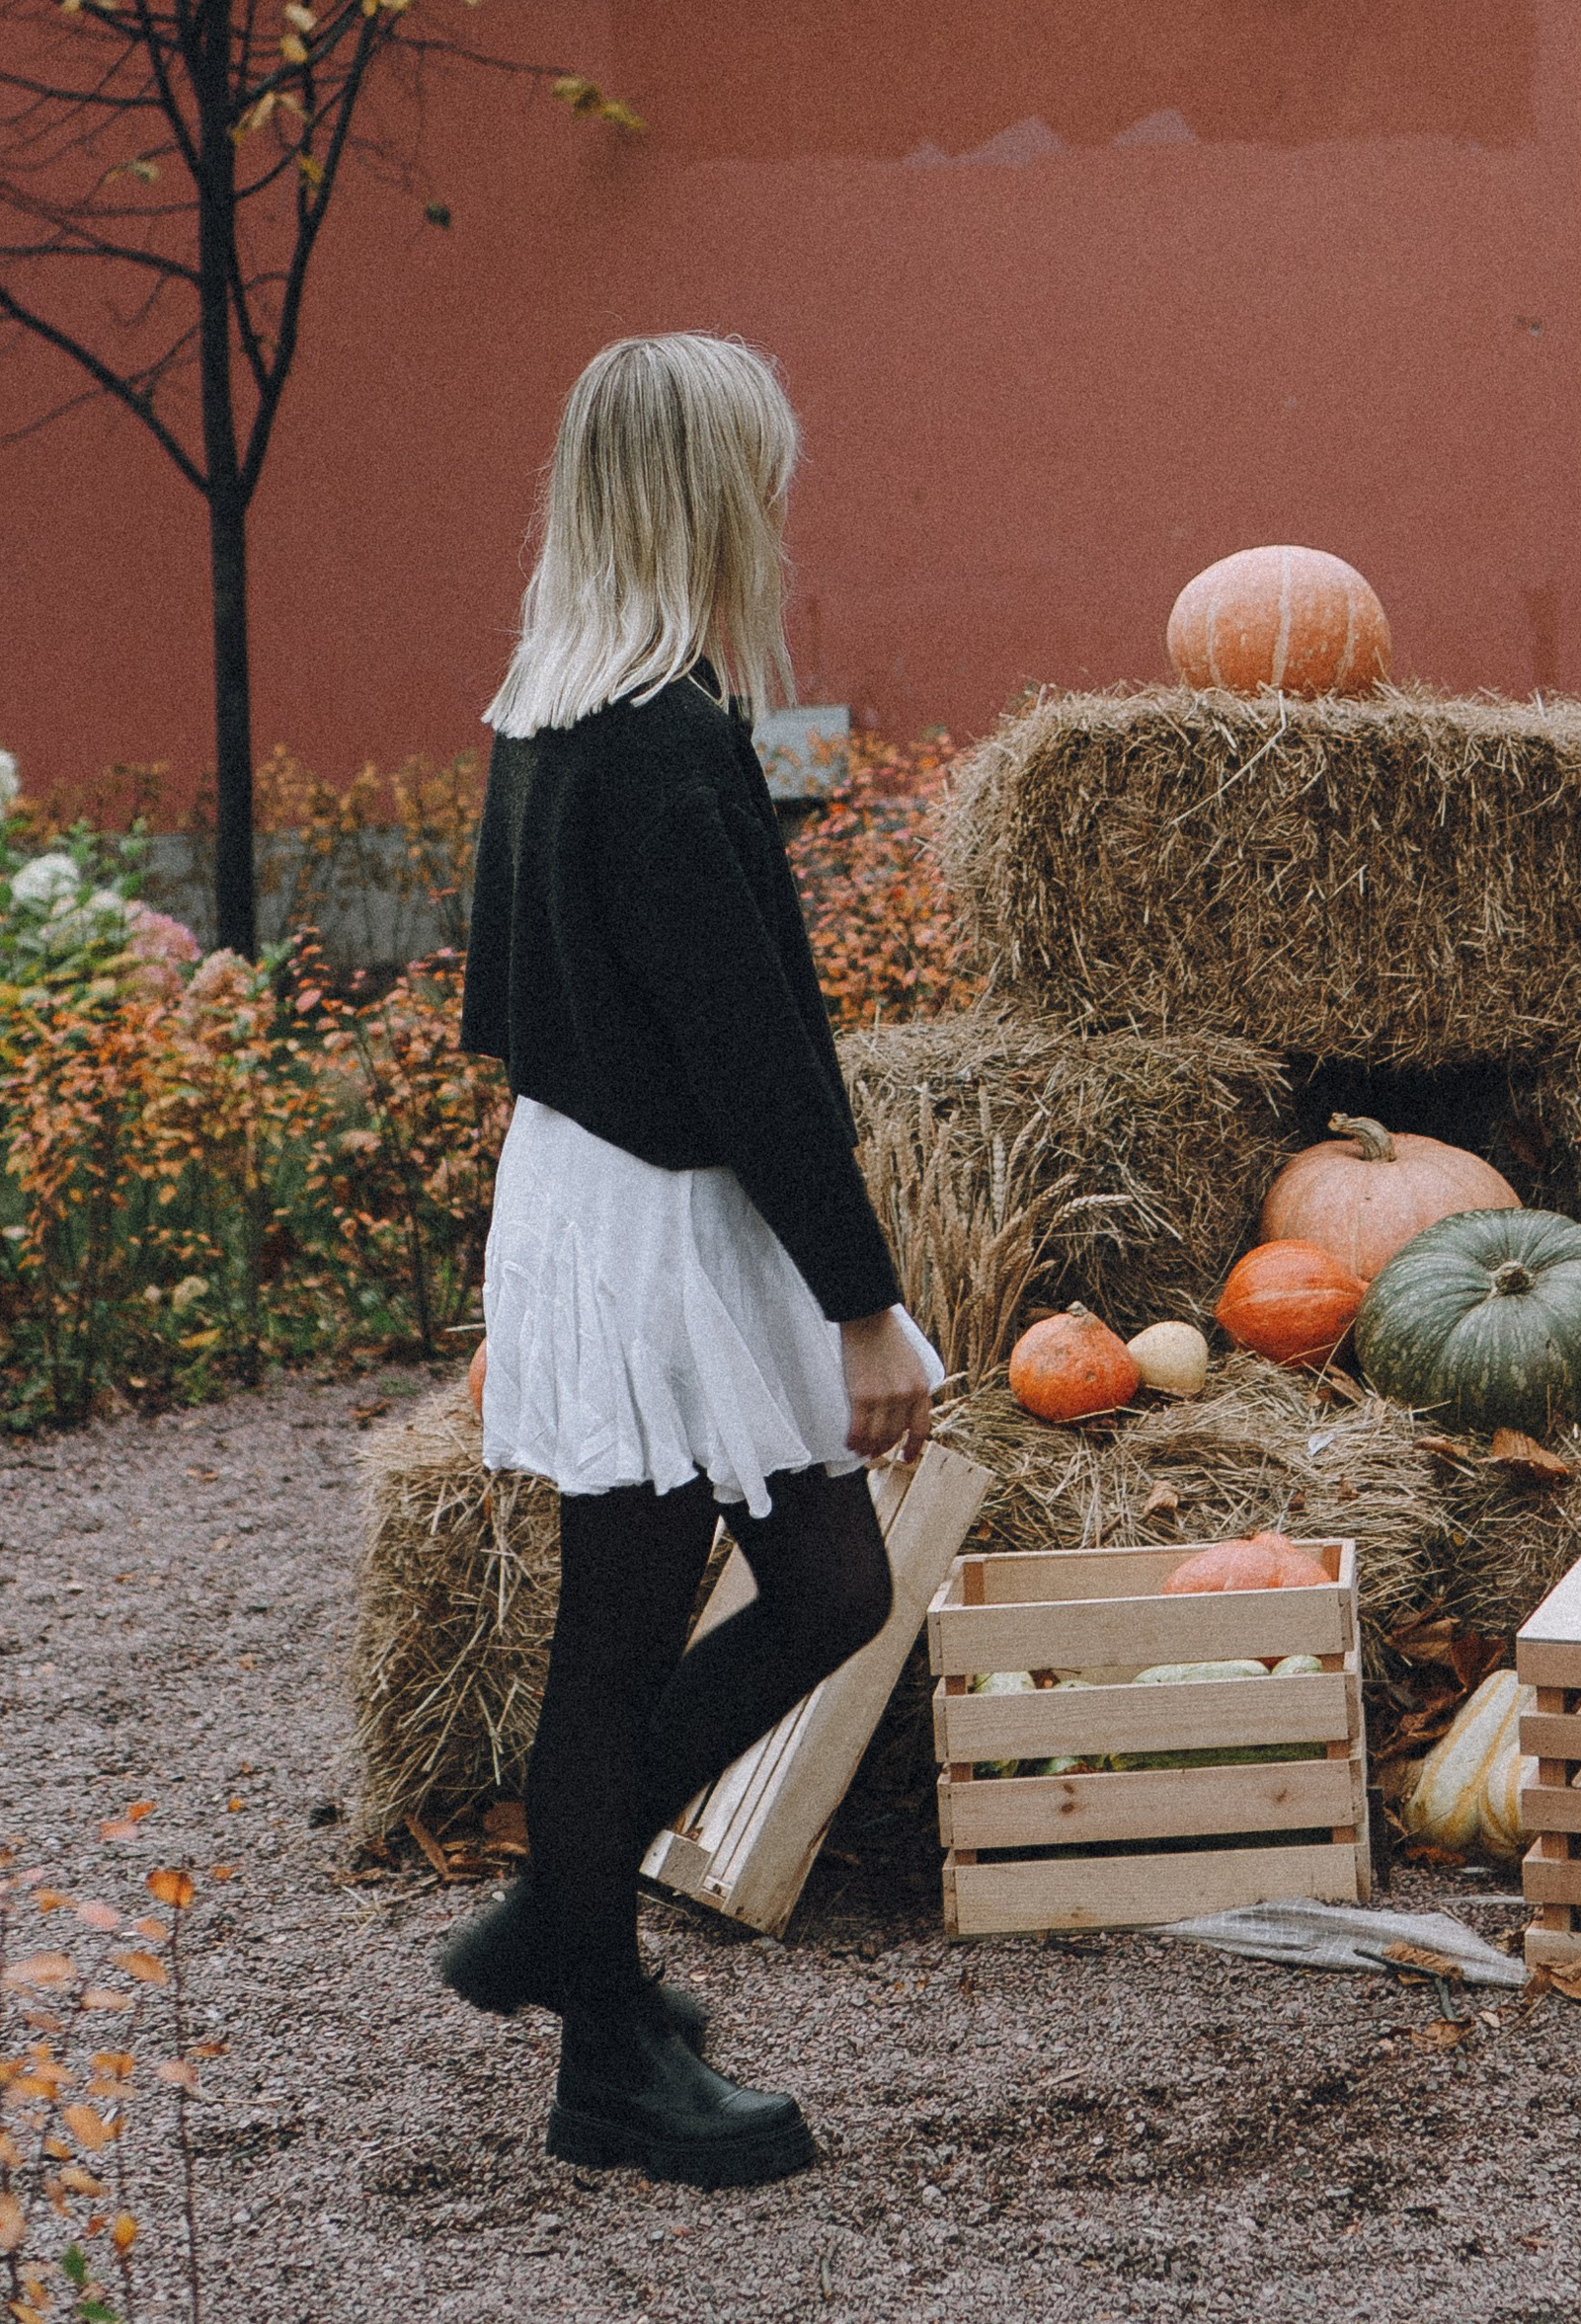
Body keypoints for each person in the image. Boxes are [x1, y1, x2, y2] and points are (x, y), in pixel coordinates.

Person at [440, 332, 937, 2189]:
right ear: (709, 493)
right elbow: (756, 1061)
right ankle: (604, 2054)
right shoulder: (656, 743)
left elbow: (508, 1005)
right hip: (660, 1212)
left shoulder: (554, 711)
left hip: (605, 1186)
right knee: (669, 1621)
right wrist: (862, 1308)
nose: (779, 503)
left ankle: (562, 1925)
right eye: (760, 473)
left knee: (809, 1589)